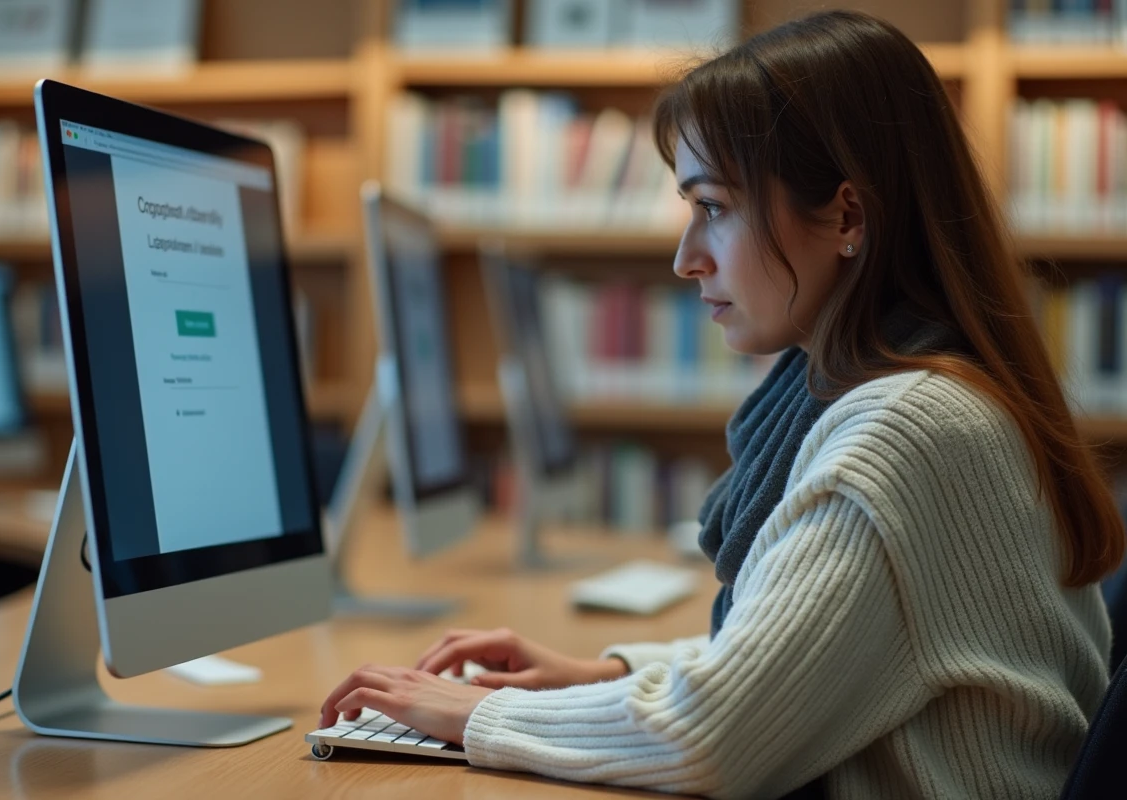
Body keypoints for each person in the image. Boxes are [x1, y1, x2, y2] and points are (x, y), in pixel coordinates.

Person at [320, 10, 1125, 798]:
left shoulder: (910, 429)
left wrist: (479, 714)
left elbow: (711, 739)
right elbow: (813, 658)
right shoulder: (934, 391)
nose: (685, 258)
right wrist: (601, 674)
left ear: (847, 216)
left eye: (711, 206)